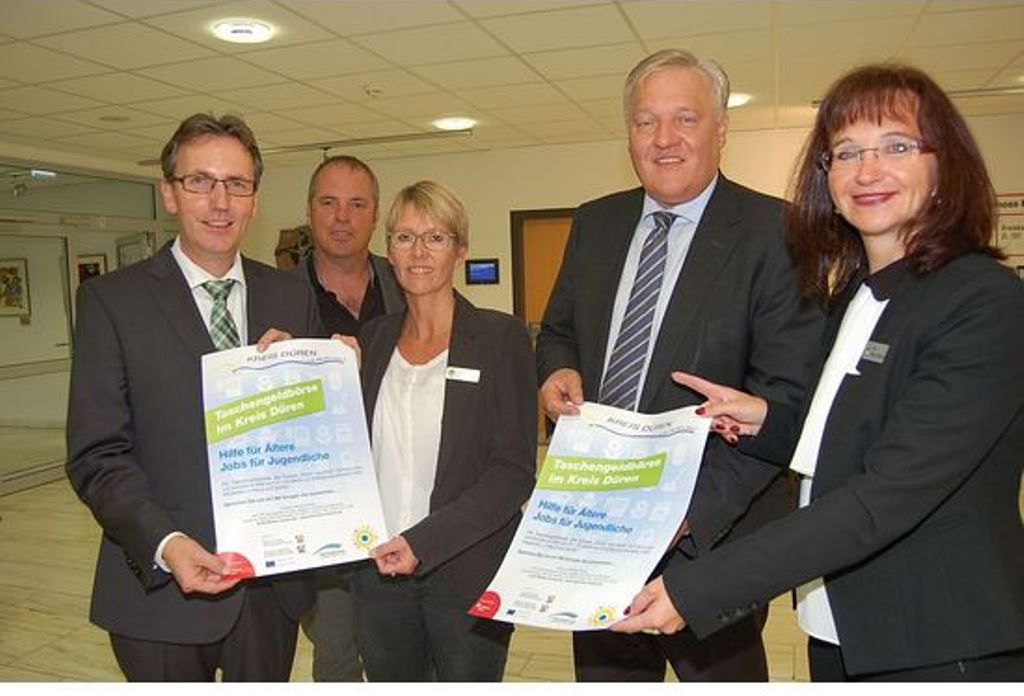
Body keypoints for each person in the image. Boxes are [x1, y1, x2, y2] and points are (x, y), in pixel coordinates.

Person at [613, 64, 1024, 682]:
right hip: (839, 628)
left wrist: (697, 588)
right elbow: (853, 435)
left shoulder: (983, 301)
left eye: (898, 147)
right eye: (846, 152)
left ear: (946, 166)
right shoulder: (860, 292)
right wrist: (767, 420)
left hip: (940, 641)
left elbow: (882, 496)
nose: (868, 170)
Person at [535, 48, 824, 681]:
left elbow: (786, 399)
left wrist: (678, 515)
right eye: (646, 122)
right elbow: (558, 331)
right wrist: (556, 372)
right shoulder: (595, 223)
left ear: (722, 129)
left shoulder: (777, 232)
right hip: (597, 524)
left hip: (711, 538)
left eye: (685, 119)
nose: (664, 139)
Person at [65, 113, 321, 681]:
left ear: (255, 199)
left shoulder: (291, 296)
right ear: (169, 194)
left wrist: (330, 375)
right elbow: (97, 456)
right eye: (200, 181)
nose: (220, 201)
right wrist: (167, 542)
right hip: (157, 593)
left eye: (237, 184)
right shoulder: (112, 302)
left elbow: (312, 442)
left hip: (267, 589)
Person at [354, 180, 537, 681]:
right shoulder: (373, 340)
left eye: (435, 238)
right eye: (404, 237)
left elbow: (513, 474)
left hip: (467, 572)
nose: (418, 252)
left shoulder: (502, 339)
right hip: (379, 575)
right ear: (388, 249)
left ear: (460, 249)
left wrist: (423, 542)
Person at [292, 154, 404, 682]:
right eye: (329, 202)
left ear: (375, 213)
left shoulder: (410, 285)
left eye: (357, 204)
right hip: (322, 513)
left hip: (405, 502)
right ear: (309, 211)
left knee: (402, 650)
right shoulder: (276, 298)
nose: (342, 217)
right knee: (336, 653)